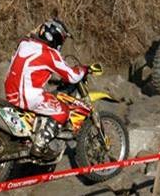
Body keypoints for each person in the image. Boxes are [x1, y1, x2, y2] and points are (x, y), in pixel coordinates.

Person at [5, 19, 94, 158]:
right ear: (56, 37)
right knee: (63, 111)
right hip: (28, 96)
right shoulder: (50, 54)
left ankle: (32, 136)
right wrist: (84, 69)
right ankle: (40, 145)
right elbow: (72, 77)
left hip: (11, 91)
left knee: (48, 98)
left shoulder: (24, 43)